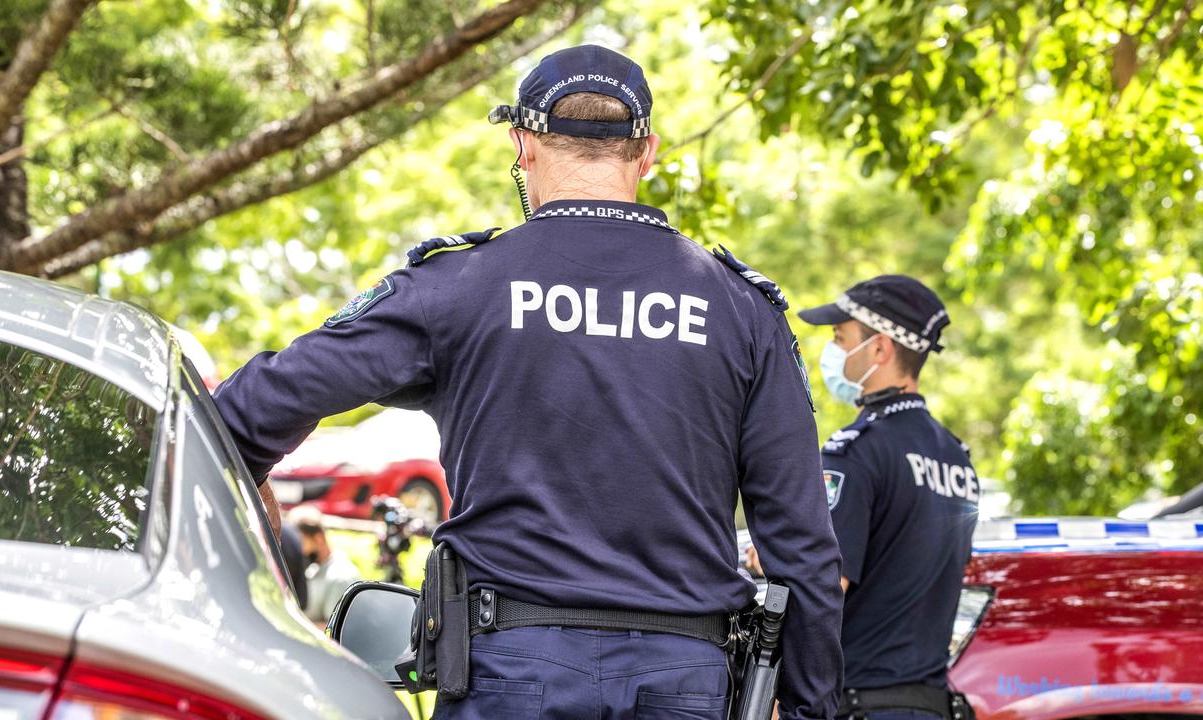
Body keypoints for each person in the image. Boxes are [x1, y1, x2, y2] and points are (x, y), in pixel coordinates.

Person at [212, 44, 843, 719]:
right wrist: (810, 710)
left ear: (525, 144)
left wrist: (257, 578)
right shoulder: (741, 311)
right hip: (684, 678)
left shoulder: (458, 287)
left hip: (511, 669)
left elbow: (248, 413)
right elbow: (802, 548)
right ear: (648, 151)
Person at [792, 276, 977, 719]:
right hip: (930, 704)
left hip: (862, 701)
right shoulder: (957, 456)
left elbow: (825, 587)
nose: (833, 351)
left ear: (879, 350)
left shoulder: (855, 452)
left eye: (841, 338)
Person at [289, 506, 361, 626]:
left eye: (300, 542)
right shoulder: (313, 568)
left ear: (318, 538)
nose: (298, 549)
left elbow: (333, 631)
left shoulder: (341, 577)